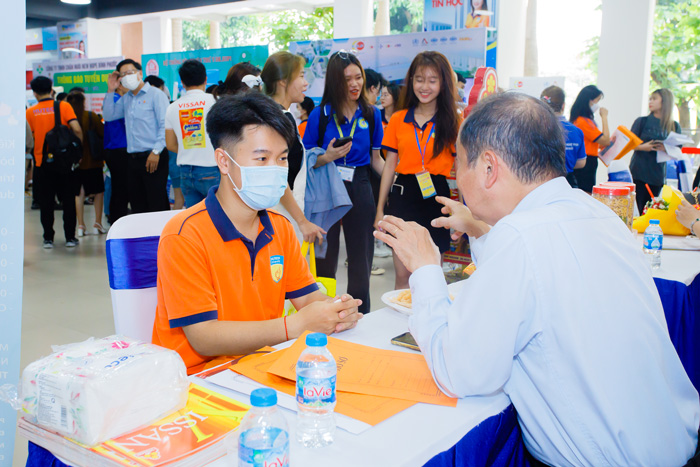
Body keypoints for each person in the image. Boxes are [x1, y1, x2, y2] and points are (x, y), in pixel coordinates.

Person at [375, 92, 700, 466]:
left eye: (459, 163)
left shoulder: (521, 237)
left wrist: (427, 269)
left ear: (488, 168)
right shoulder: (594, 211)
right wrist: (481, 230)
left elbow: (461, 372)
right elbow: (539, 279)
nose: (456, 178)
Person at [152, 92, 362, 374]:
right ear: (224, 162)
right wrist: (294, 325)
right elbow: (203, 337)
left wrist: (334, 309)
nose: (275, 170)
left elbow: (308, 297)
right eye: (262, 158)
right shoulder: (184, 236)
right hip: (199, 381)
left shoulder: (280, 228)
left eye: (282, 159)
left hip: (264, 368)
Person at [302, 51, 385, 314]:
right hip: (326, 187)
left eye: (358, 77)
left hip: (359, 185)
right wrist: (327, 157)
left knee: (361, 258)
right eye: (347, 78)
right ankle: (324, 314)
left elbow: (377, 160)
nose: (354, 84)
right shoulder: (320, 115)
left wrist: (396, 181)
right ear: (334, 81)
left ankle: (360, 316)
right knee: (324, 257)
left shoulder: (372, 114)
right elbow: (307, 161)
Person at [375, 51, 459, 289]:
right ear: (411, 81)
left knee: (432, 274)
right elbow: (390, 164)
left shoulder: (453, 121)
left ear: (443, 83)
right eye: (419, 79)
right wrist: (380, 209)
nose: (425, 86)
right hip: (404, 195)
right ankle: (402, 328)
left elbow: (461, 170)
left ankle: (428, 326)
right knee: (402, 275)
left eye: (433, 80)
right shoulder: (399, 119)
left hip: (438, 198)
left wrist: (463, 212)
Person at [103, 59, 170, 213]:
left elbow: (164, 125)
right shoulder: (126, 99)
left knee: (156, 203)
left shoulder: (155, 95)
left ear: (140, 73)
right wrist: (110, 90)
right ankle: (143, 237)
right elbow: (108, 116)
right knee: (138, 204)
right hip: (133, 159)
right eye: (123, 74)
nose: (127, 76)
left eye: (130, 72)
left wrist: (156, 151)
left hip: (154, 156)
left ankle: (161, 237)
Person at [26, 76, 83, 249]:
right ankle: (69, 238)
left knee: (46, 203)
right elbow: (77, 129)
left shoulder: (30, 112)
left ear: (35, 93)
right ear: (52, 89)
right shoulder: (63, 106)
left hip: (42, 163)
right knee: (68, 201)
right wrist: (77, 153)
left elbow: (29, 139)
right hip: (64, 163)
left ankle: (48, 238)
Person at [165, 59, 219, 209]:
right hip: (211, 169)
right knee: (217, 218)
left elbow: (170, 144)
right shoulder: (216, 101)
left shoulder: (172, 107)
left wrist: (189, 148)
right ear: (205, 79)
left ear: (182, 82)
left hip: (185, 172)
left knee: (195, 218)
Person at [629, 88, 682, 213]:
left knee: (652, 210)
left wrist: (666, 148)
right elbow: (629, 144)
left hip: (657, 175)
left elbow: (677, 149)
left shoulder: (674, 126)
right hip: (639, 172)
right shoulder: (642, 121)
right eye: (650, 99)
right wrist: (643, 147)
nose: (650, 102)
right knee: (637, 208)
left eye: (654, 99)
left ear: (665, 102)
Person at [66, 92, 106, 236]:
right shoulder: (90, 116)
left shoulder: (68, 118)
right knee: (98, 192)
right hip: (93, 162)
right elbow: (102, 133)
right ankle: (97, 223)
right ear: (83, 102)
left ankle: (81, 226)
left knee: (79, 193)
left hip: (76, 162)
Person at [540, 85, 586, 188]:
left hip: (542, 183)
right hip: (568, 182)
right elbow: (581, 162)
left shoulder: (537, 128)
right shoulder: (576, 131)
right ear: (563, 105)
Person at [570, 85, 611, 193]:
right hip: (586, 162)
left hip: (591, 160)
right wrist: (604, 117)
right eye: (597, 101)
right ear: (589, 101)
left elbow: (601, 142)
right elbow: (605, 140)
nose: (598, 105)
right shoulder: (582, 121)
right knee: (585, 192)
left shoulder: (587, 120)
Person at [103, 81, 130, 224]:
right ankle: (117, 219)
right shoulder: (117, 101)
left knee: (117, 187)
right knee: (120, 189)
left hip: (114, 149)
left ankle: (116, 218)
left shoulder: (113, 100)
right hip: (118, 149)